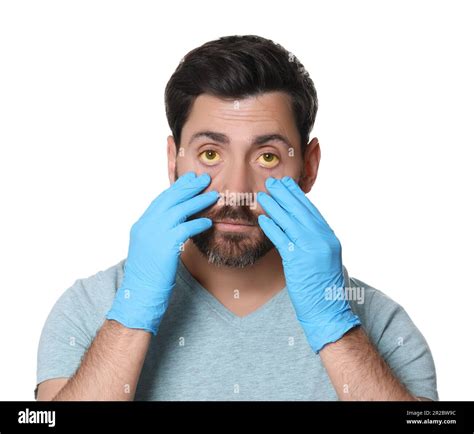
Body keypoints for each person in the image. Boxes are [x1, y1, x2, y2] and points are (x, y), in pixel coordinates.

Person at [36, 35, 437, 401]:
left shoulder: (382, 326)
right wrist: (130, 316)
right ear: (173, 163)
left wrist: (333, 323)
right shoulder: (90, 309)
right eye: (210, 153)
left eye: (267, 157)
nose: (236, 188)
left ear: (309, 167)